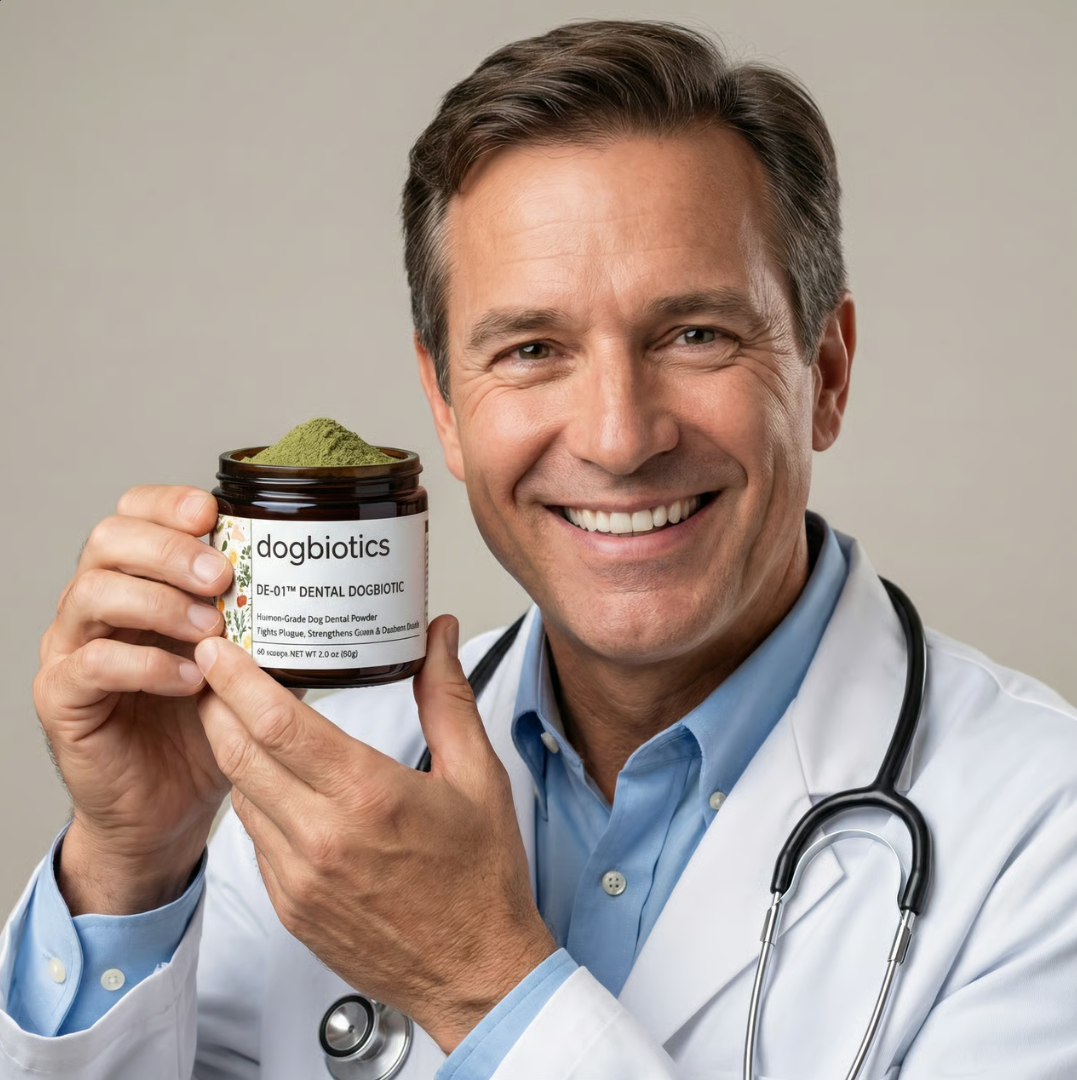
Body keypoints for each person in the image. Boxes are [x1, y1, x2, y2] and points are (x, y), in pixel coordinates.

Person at [1, 19, 1075, 1080]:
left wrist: (480, 980)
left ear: (826, 374)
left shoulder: (1040, 829)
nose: (618, 437)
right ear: (448, 408)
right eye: (532, 350)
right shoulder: (334, 773)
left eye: (695, 334)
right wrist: (130, 868)